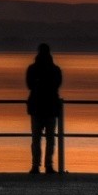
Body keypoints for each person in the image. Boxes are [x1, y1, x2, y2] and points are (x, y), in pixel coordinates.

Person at [25, 43, 63, 173]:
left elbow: (29, 85)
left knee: (36, 139)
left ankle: (36, 165)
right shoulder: (55, 70)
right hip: (50, 108)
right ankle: (48, 165)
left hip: (37, 107)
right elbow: (57, 85)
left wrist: (39, 84)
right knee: (50, 139)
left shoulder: (32, 69)